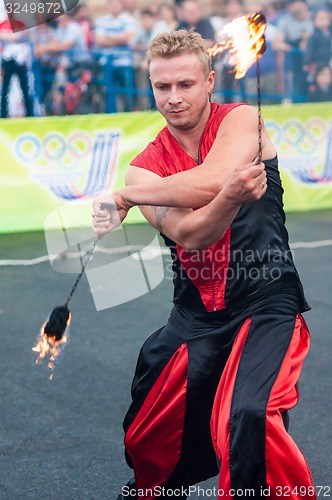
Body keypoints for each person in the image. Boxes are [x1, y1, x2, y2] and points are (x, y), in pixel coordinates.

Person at [92, 30, 316, 499]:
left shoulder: (242, 119)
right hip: (194, 316)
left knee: (248, 413)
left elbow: (211, 179)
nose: (173, 98)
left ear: (210, 81)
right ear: (151, 87)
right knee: (147, 426)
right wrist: (228, 198)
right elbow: (194, 233)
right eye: (162, 87)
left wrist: (126, 197)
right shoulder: (144, 166)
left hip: (266, 301)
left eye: (185, 85)